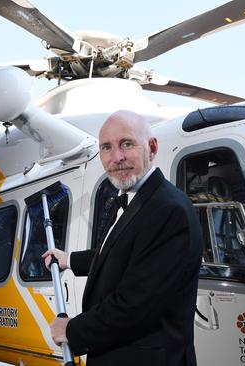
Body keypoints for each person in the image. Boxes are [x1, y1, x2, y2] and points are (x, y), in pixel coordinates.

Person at [42, 110, 203, 365]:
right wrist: (69, 260)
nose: (117, 157)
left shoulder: (167, 210)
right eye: (106, 147)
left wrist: (72, 330)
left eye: (127, 144)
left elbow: (135, 305)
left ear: (151, 148)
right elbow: (119, 254)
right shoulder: (137, 198)